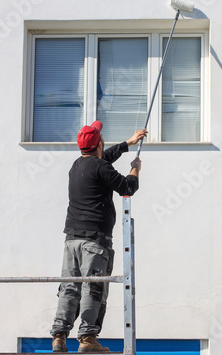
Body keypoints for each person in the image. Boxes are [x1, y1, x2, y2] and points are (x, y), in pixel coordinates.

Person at [50, 121, 147, 353]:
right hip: (94, 241)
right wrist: (135, 169)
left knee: (69, 288)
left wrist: (127, 143)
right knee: (93, 289)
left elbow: (102, 162)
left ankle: (59, 337)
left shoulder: (77, 165)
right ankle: (87, 339)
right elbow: (127, 188)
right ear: (99, 143)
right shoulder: (100, 167)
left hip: (71, 240)